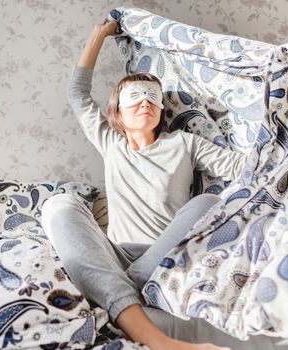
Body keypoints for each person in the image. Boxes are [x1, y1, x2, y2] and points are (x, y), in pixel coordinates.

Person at [41, 16, 247, 350]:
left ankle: (124, 294)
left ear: (161, 106)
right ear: (118, 113)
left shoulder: (184, 143)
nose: (144, 102)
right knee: (58, 205)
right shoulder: (111, 142)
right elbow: (78, 95)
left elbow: (239, 167)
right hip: (114, 257)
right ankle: (141, 312)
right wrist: (99, 36)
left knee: (209, 203)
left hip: (165, 260)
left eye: (152, 96)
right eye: (134, 96)